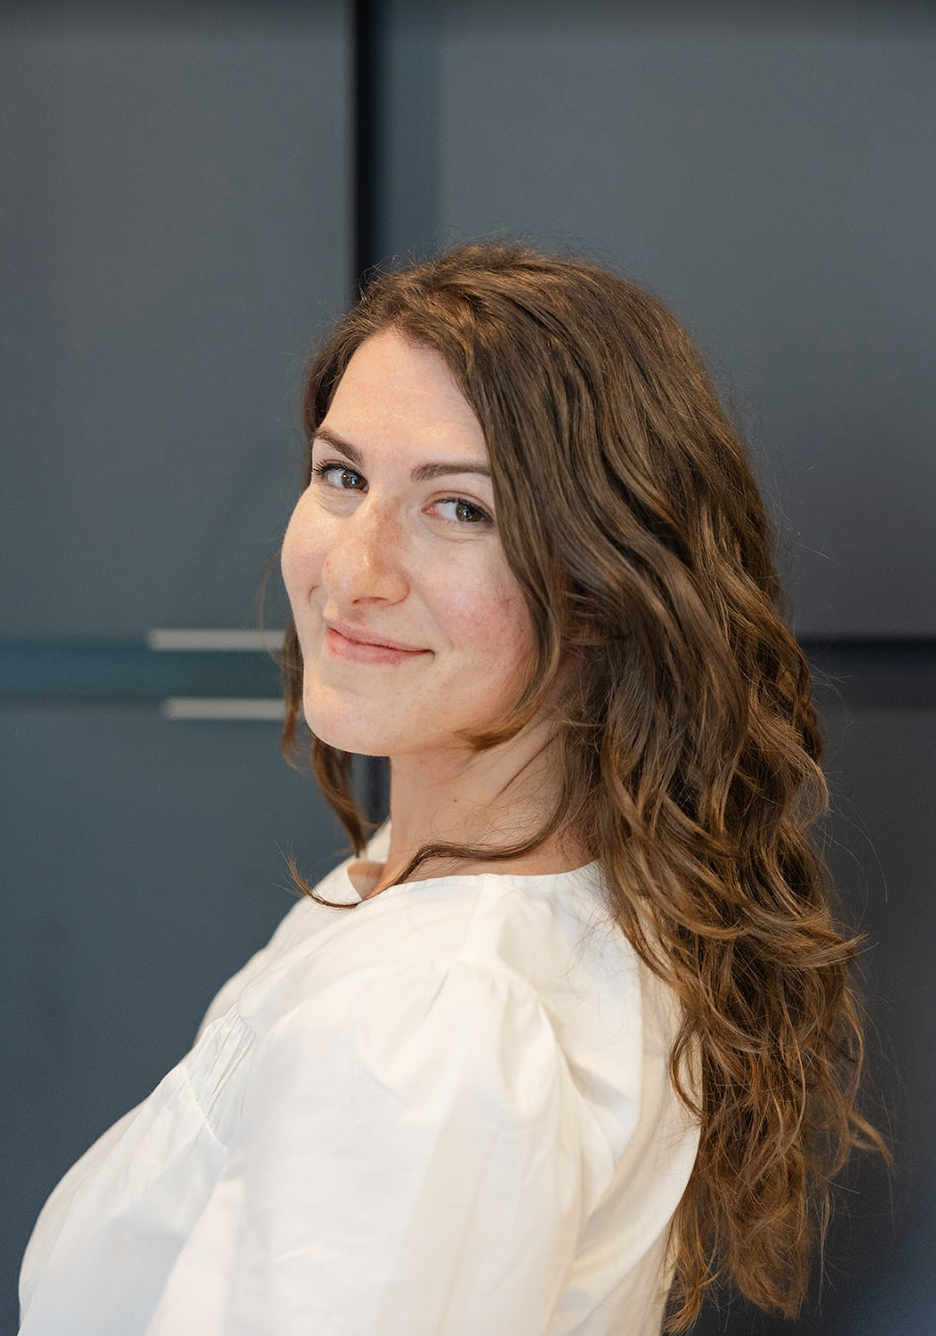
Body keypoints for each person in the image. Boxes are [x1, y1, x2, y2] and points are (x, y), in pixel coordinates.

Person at [19, 243, 881, 1335]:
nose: (353, 568)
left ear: (607, 587)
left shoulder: (425, 1028)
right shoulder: (501, 889)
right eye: (342, 477)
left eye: (460, 509)